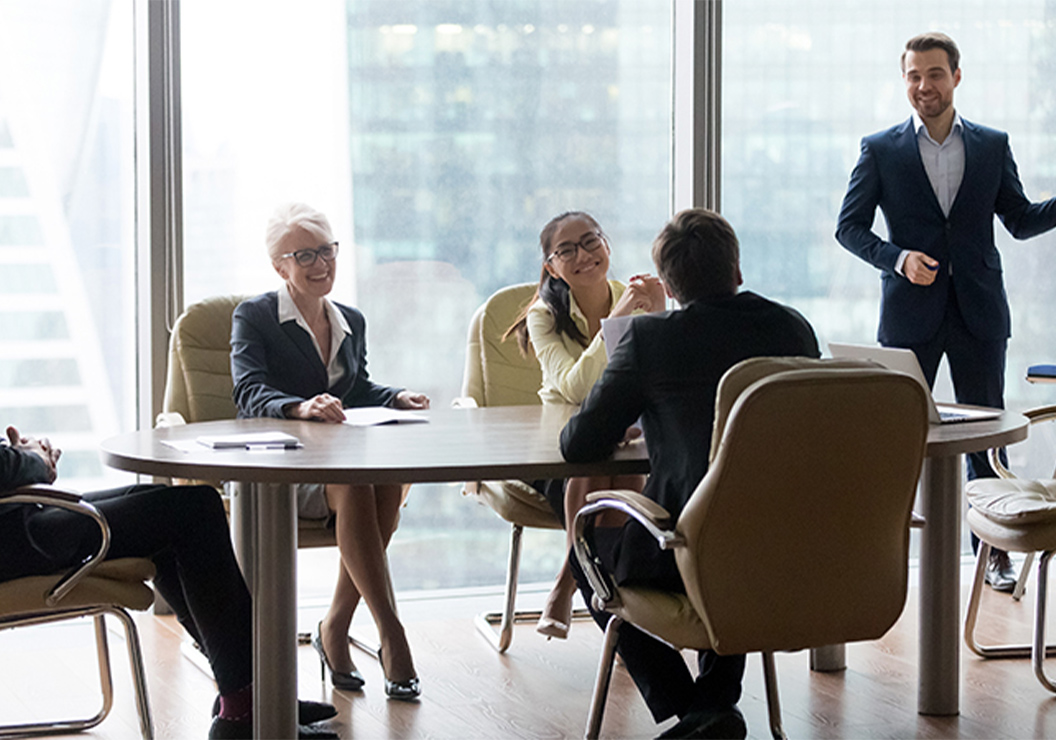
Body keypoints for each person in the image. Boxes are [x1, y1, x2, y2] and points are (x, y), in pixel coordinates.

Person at [560, 209, 820, 739]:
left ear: (671, 287)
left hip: (684, 548)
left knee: (586, 558)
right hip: (785, 545)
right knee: (736, 533)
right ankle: (716, 701)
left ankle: (697, 710)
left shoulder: (650, 340)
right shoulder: (792, 327)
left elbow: (578, 444)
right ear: (737, 270)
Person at [835, 31, 1056, 594]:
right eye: (913, 75)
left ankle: (993, 557)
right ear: (904, 80)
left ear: (956, 77)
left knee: (986, 440)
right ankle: (871, 558)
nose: (923, 86)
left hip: (979, 312)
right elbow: (849, 228)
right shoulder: (880, 149)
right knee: (895, 436)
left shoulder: (990, 144)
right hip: (909, 314)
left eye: (934, 74)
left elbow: (1021, 219)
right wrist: (897, 258)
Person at [0, 425, 338, 740]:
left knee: (162, 504)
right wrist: (34, 460)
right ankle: (244, 704)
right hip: (15, 539)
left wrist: (22, 454)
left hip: (19, 521)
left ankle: (250, 693)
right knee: (195, 510)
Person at [230, 203, 428, 700]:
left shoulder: (350, 321)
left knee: (387, 480)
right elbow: (248, 392)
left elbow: (355, 389)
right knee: (358, 483)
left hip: (340, 468)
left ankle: (335, 626)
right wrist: (299, 407)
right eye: (305, 256)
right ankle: (391, 632)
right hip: (278, 473)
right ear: (281, 267)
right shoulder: (254, 317)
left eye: (327, 250)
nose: (321, 264)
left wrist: (394, 397)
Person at [506, 211, 665, 639]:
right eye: (566, 250)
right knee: (599, 466)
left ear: (607, 245)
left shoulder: (636, 296)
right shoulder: (543, 315)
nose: (583, 255)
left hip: (625, 440)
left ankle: (573, 583)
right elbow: (576, 389)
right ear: (550, 267)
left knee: (617, 469)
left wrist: (660, 309)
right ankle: (619, 615)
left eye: (591, 241)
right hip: (556, 449)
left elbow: (656, 374)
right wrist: (620, 316)